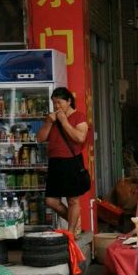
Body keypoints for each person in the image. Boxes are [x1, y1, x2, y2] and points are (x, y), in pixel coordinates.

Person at [36, 86, 90, 234]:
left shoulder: (79, 117)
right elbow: (40, 138)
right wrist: (48, 122)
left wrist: (64, 122)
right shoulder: (52, 119)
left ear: (69, 101)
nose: (57, 106)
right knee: (51, 201)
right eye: (54, 103)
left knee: (73, 200)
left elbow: (80, 137)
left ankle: (71, 232)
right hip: (55, 162)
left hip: (71, 161)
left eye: (60, 102)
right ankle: (74, 222)